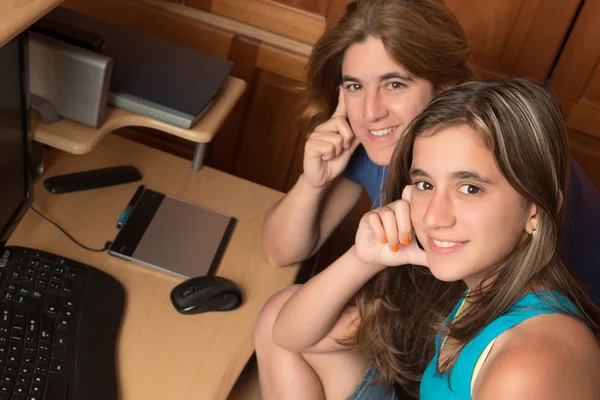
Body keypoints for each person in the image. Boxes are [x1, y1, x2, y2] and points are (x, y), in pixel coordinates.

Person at [270, 78, 600, 399]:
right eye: (426, 185)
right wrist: (363, 257)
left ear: (536, 210)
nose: (432, 217)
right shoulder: (480, 286)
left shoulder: (529, 364)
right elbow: (288, 335)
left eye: (470, 189)